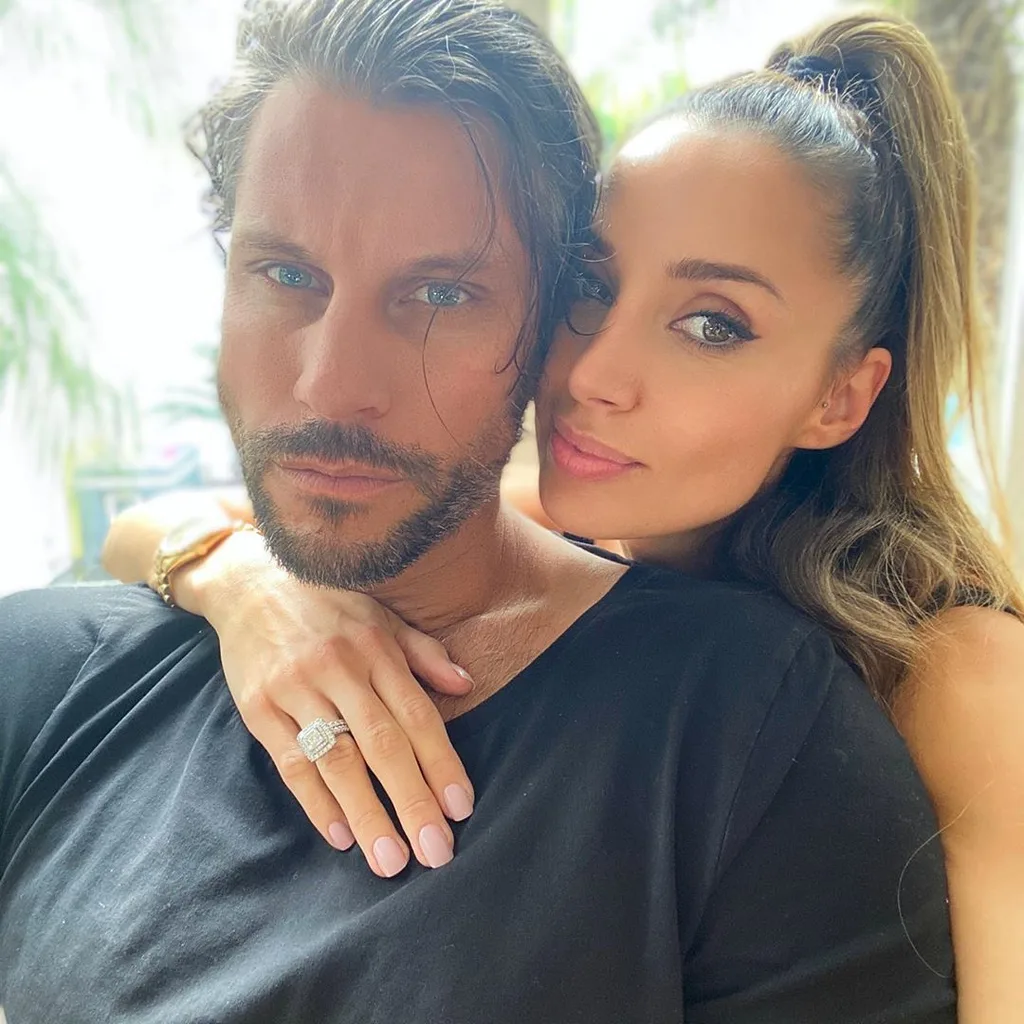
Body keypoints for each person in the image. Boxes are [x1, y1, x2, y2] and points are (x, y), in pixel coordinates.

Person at [1, 1, 955, 1020]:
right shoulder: (47, 672)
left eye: (442, 295)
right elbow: (166, 527)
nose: (330, 388)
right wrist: (232, 574)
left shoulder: (802, 727)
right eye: (285, 273)